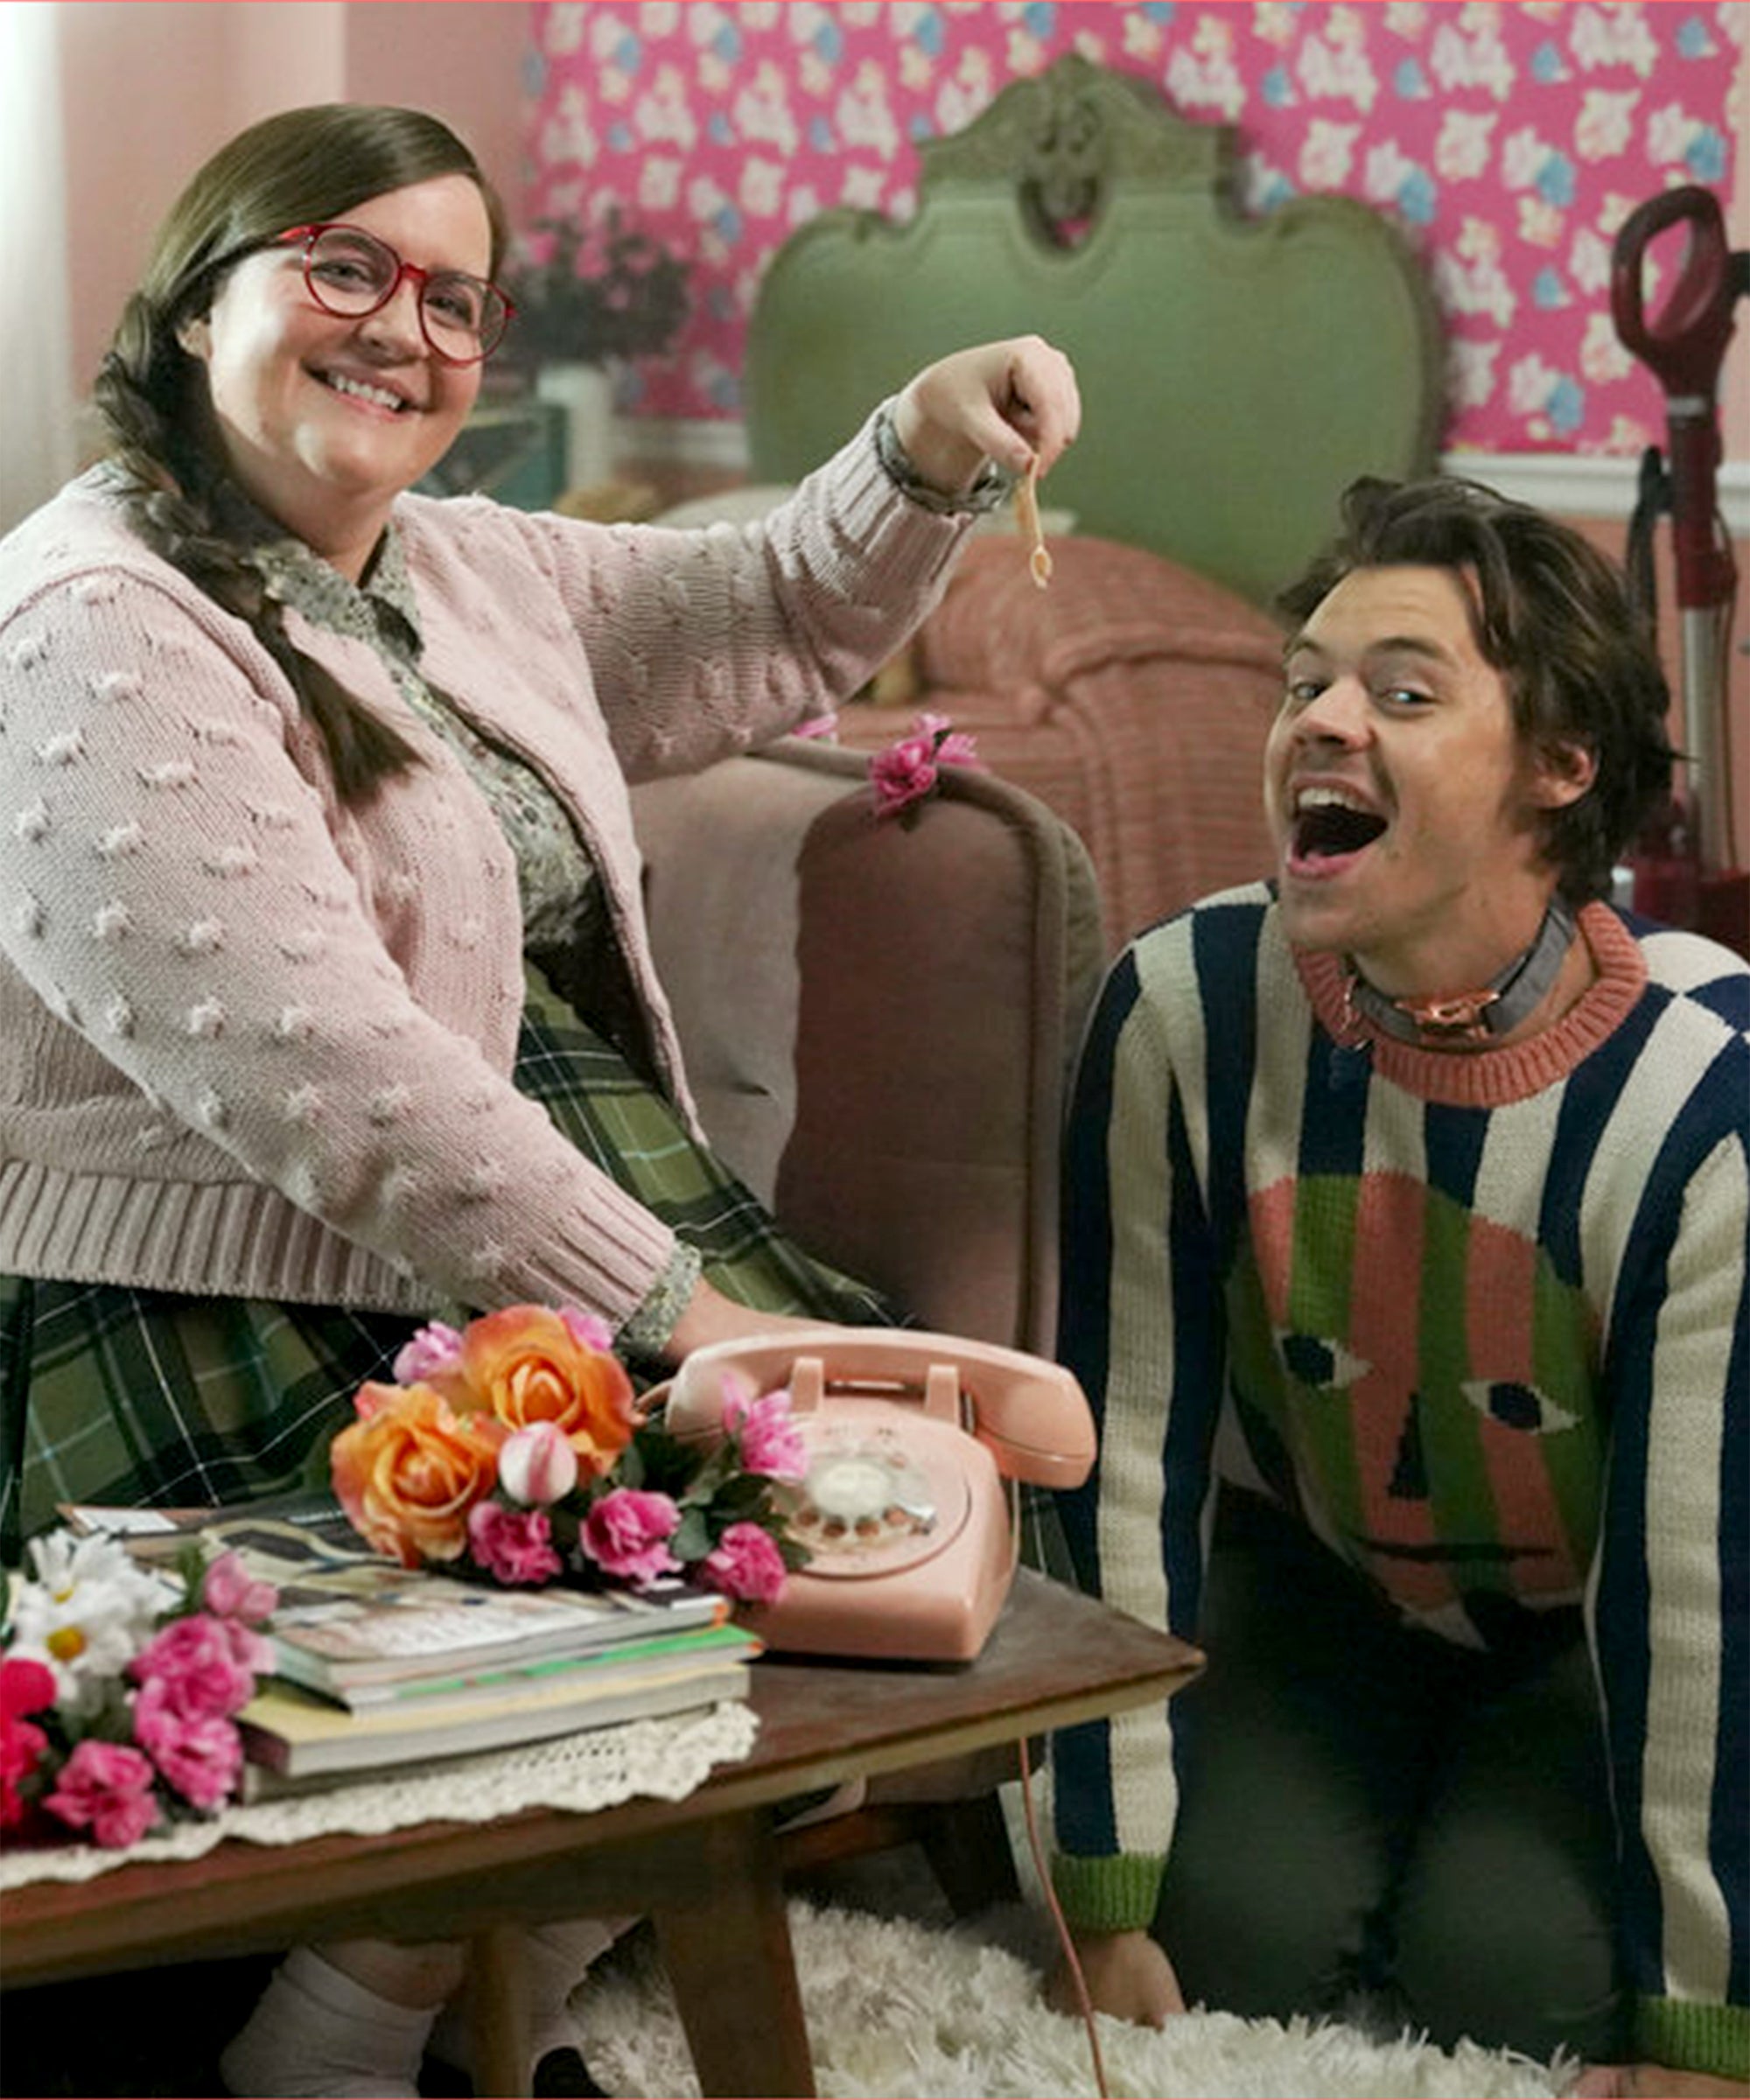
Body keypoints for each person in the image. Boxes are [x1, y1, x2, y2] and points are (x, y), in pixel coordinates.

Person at [0, 101, 1079, 2097]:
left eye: (455, 300)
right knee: (676, 1563)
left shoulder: (460, 563)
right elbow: (326, 1075)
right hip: (239, 1278)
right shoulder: (88, 626)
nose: (403, 331)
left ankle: (447, 1996)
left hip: (525, 1200)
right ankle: (337, 2047)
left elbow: (763, 611)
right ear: (195, 304)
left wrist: (925, 445)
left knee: (845, 1551)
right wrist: (676, 1311)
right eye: (344, 268)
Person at [1046, 474, 1747, 2096]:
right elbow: (1124, 1446)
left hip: (1599, 1624)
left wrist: (1705, 2013)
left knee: (1512, 1983)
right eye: (1304, 683)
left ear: (1561, 766)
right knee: (1221, 1937)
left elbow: (1705, 1572)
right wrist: (1101, 1878)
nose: (1322, 719)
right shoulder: (1181, 1009)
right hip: (1329, 1580)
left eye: (1404, 693)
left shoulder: (1704, 1101)